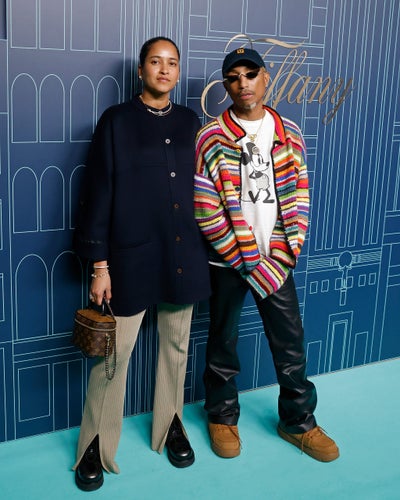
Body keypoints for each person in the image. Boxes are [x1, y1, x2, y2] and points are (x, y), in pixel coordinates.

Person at [72, 36, 211, 491]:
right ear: (140, 70)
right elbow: (97, 194)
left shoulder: (190, 121)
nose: (165, 70)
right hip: (130, 257)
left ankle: (171, 425)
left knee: (176, 347)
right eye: (156, 61)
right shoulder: (115, 121)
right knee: (114, 355)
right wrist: (100, 266)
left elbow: (204, 189)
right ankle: (94, 445)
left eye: (172, 63)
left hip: (183, 253)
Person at [194, 48, 339, 463]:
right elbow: (205, 205)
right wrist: (241, 255)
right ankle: (222, 415)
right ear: (226, 86)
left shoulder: (288, 132)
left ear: (266, 78)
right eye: (234, 77)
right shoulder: (211, 136)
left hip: (275, 258)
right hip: (227, 259)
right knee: (222, 341)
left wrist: (285, 250)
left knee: (290, 343)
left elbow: (300, 194)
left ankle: (298, 422)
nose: (244, 83)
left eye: (251, 74)